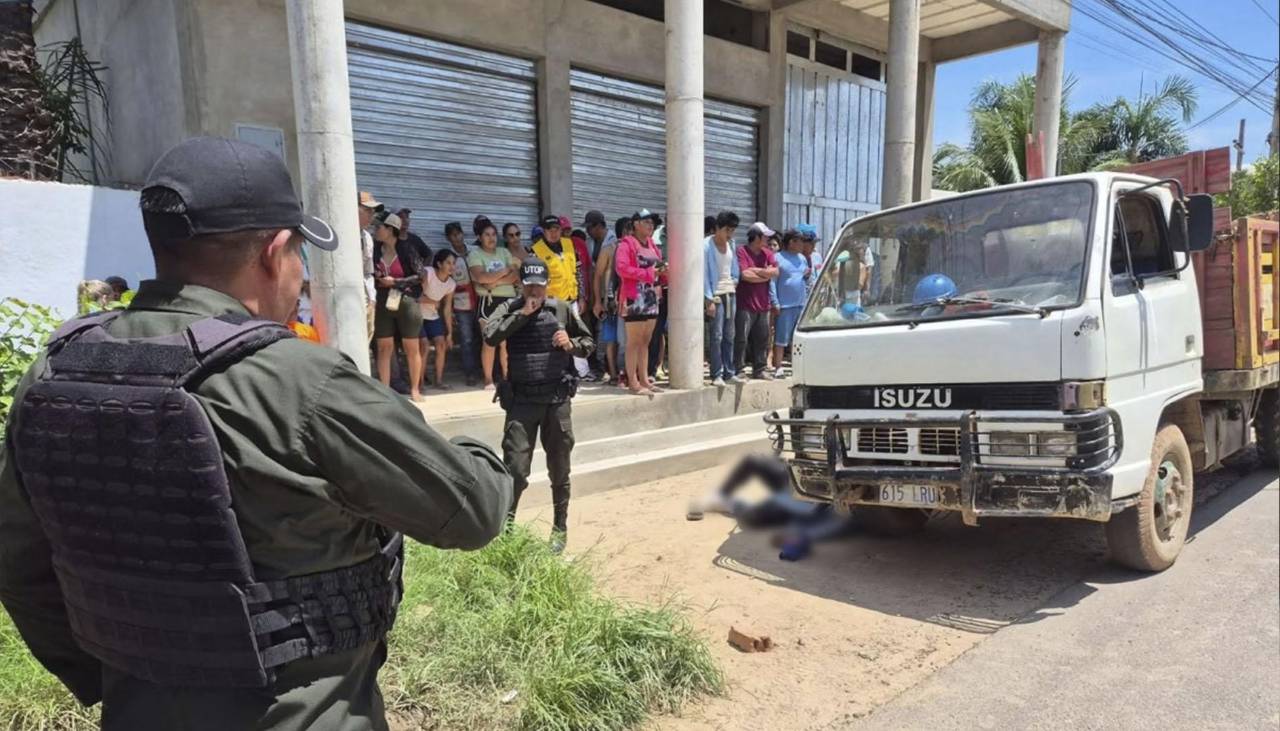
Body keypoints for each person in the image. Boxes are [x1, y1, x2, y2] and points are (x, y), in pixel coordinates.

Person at [0, 136, 512, 730]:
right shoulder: (299, 380)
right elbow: (473, 511)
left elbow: (19, 561)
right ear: (273, 253)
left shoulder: (56, 371)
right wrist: (477, 449)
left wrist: (111, 676)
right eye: (299, 255)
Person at [483, 258, 594, 553]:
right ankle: (506, 531)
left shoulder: (559, 309)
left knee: (560, 468)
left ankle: (560, 528)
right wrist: (522, 314)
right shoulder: (509, 308)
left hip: (556, 400)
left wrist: (570, 344)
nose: (535, 291)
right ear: (520, 285)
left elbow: (588, 342)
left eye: (539, 286)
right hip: (521, 402)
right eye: (529, 285)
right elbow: (491, 335)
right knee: (516, 470)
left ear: (547, 286)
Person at [373, 212, 427, 400]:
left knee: (411, 346)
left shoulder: (406, 248)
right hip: (383, 301)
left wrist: (395, 281)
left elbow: (420, 276)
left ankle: (415, 389)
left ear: (390, 229)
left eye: (379, 227)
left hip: (406, 300)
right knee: (383, 346)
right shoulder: (374, 249)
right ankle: (384, 390)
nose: (376, 231)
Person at [531, 214, 588, 378]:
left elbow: (578, 272)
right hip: (552, 302)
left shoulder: (569, 245)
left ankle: (582, 372)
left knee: (577, 335)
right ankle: (556, 370)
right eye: (549, 229)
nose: (553, 233)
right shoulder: (536, 251)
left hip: (572, 298)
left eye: (556, 229)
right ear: (544, 231)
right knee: (554, 336)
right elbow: (535, 282)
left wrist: (582, 296)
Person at [615, 209, 665, 396]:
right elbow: (622, 268)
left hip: (651, 296)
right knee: (633, 342)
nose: (650, 226)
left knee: (645, 341)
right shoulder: (626, 244)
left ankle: (644, 379)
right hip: (634, 296)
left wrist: (662, 271)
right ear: (635, 224)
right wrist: (647, 274)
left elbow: (656, 268)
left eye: (652, 223)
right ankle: (633, 382)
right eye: (646, 222)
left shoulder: (652, 244)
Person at [469, 220, 519, 389]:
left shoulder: (504, 252)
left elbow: (514, 276)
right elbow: (481, 277)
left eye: (493, 234)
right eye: (487, 235)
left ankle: (507, 377)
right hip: (488, 302)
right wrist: (502, 273)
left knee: (507, 341)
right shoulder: (475, 255)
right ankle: (488, 380)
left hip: (507, 299)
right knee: (489, 341)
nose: (491, 238)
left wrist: (495, 281)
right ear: (479, 237)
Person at [735, 222, 779, 379]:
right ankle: (739, 369)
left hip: (763, 304)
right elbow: (745, 275)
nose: (767, 240)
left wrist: (757, 271)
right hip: (745, 304)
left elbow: (775, 271)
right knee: (741, 338)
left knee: (763, 338)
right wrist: (764, 274)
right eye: (765, 237)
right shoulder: (742, 251)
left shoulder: (767, 253)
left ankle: (759, 369)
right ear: (757, 237)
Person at [703, 210, 742, 386]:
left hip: (730, 293)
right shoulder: (705, 246)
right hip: (715, 295)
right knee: (716, 335)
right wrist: (708, 299)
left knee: (729, 334)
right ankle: (716, 373)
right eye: (727, 230)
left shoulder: (731, 244)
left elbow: (735, 269)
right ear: (717, 228)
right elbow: (703, 274)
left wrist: (734, 282)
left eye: (732, 230)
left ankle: (729, 371)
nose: (729, 234)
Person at [442, 222, 481, 387]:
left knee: (484, 336)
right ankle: (470, 372)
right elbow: (445, 281)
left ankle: (486, 370)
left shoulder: (475, 251)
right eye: (453, 235)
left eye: (458, 233)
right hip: (461, 303)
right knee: (466, 339)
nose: (456, 237)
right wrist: (448, 309)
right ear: (448, 238)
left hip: (482, 300)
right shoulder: (448, 258)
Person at [770, 229, 809, 378]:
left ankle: (796, 366)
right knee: (781, 338)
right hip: (785, 305)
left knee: (798, 339)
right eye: (800, 241)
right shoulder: (777, 258)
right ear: (792, 242)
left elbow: (804, 279)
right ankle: (778, 367)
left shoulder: (802, 258)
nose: (802, 244)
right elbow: (772, 282)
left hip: (800, 304)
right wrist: (775, 302)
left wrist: (806, 277)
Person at [586, 210, 619, 383]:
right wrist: (594, 299)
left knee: (606, 336)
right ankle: (605, 369)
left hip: (609, 296)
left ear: (599, 226)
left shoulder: (612, 244)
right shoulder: (592, 242)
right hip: (599, 296)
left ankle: (606, 369)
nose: (588, 231)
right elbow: (594, 273)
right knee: (603, 334)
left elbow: (602, 274)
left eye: (590, 228)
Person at [420, 248, 459, 391]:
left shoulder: (451, 284)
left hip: (432, 316)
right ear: (439, 263)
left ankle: (439, 380)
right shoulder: (428, 273)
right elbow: (415, 296)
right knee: (424, 346)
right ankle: (419, 383)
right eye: (448, 263)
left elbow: (447, 309)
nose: (452, 266)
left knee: (441, 344)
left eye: (454, 263)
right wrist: (431, 301)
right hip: (417, 315)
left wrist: (449, 333)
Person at [359, 191, 383, 339]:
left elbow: (368, 271)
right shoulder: (341, 234)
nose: (371, 215)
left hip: (366, 300)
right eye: (367, 210)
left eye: (373, 211)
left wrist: (372, 299)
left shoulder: (367, 238)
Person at [797, 223, 822, 294]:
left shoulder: (817, 257)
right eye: (811, 243)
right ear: (802, 243)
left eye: (815, 243)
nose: (814, 246)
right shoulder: (796, 259)